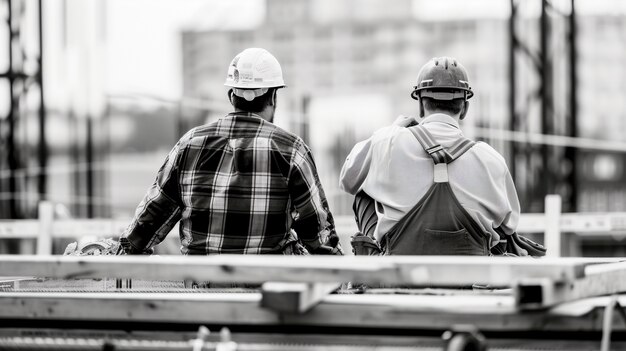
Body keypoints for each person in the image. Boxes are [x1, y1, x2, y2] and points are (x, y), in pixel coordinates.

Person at [119, 48, 342, 256]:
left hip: (200, 289)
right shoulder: (291, 150)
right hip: (266, 289)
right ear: (273, 97)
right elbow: (318, 236)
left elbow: (145, 226)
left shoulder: (189, 144)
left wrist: (122, 249)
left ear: (231, 97)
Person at [339, 57, 521, 256]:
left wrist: (393, 129)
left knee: (364, 190)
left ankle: (375, 263)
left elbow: (348, 180)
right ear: (464, 109)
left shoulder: (388, 141)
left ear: (420, 106)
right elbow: (509, 225)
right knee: (499, 225)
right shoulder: (491, 160)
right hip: (470, 277)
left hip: (400, 273)